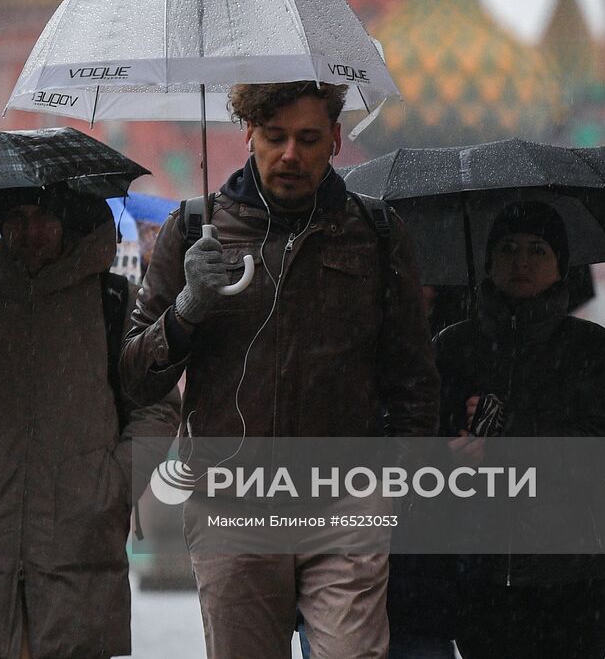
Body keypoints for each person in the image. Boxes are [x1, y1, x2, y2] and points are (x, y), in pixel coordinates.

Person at [122, 80, 438, 659]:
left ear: (336, 141)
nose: (290, 154)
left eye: (308, 138)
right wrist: (189, 307)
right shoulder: (195, 230)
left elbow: (413, 376)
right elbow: (137, 377)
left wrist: (396, 485)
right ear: (249, 135)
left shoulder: (375, 233)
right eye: (275, 137)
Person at [0, 185, 180, 659]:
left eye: (43, 215)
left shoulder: (114, 303)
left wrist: (112, 484)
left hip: (78, 555)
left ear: (69, 221)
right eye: (17, 216)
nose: (30, 230)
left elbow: (158, 408)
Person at [435, 200, 605, 659]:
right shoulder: (454, 346)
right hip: (477, 572)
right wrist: (452, 442)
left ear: (561, 266)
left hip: (573, 571)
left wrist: (505, 441)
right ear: (487, 261)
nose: (521, 262)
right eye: (508, 248)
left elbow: (601, 448)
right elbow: (418, 439)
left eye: (537, 250)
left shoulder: (592, 350)